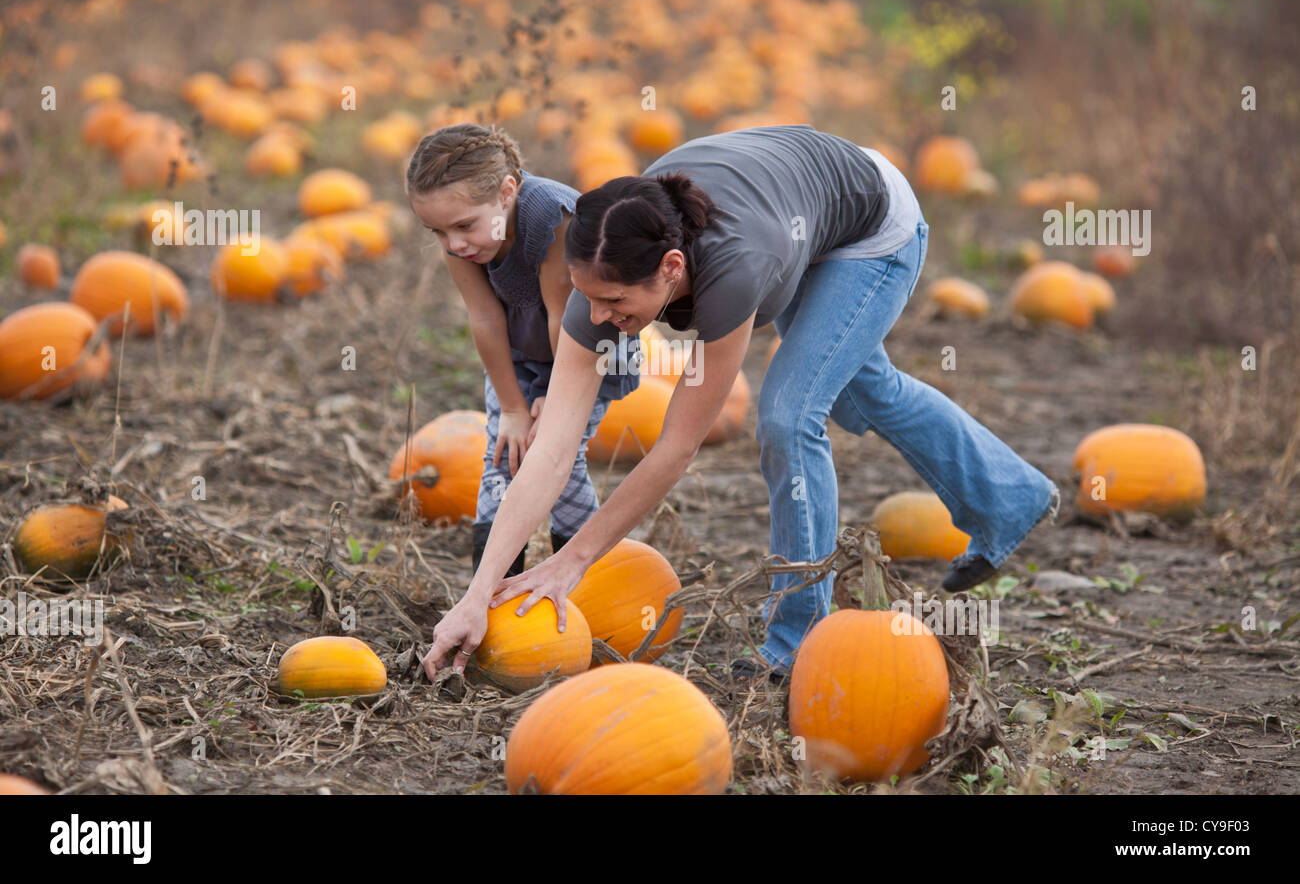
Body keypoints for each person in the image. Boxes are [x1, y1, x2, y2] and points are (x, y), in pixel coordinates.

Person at [421, 124, 1059, 685]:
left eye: (615, 303)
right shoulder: (604, 265)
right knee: (868, 388)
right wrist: (479, 595)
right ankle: (1010, 497)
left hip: (868, 225)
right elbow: (553, 444)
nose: (598, 318)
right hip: (793, 208)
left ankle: (797, 639)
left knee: (788, 416)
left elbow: (675, 447)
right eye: (588, 298)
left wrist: (573, 559)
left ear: (672, 269)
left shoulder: (733, 272)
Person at [405, 123, 639, 579]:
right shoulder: (465, 239)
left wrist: (556, 404)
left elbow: (563, 320)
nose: (453, 244)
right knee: (501, 460)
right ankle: (490, 596)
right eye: (437, 232)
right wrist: (514, 407)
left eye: (463, 227)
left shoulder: (550, 216)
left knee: (557, 458)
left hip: (587, 349)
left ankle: (585, 585)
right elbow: (485, 318)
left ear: (508, 191)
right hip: (522, 354)